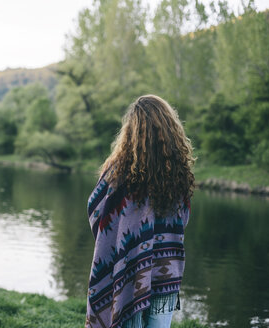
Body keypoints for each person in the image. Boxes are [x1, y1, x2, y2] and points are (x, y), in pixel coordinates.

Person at [85, 95, 195, 328]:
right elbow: (182, 219)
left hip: (128, 274)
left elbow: (95, 209)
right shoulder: (178, 173)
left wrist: (118, 244)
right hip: (166, 272)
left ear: (131, 131)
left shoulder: (118, 173)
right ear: (169, 128)